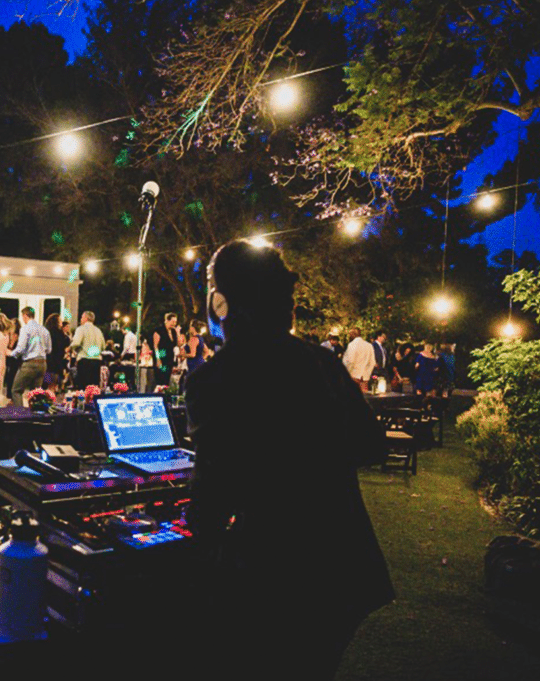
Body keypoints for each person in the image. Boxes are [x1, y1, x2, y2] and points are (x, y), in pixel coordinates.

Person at [185, 240, 393, 679]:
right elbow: (373, 445)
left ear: (220, 304)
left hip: (274, 570)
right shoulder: (321, 362)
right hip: (345, 563)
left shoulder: (216, 379)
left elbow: (210, 503)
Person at [9, 306, 51, 407]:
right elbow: (49, 350)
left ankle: (20, 415)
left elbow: (21, 348)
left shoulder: (25, 329)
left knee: (16, 390)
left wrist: (11, 353)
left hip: (30, 363)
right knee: (36, 392)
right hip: (42, 363)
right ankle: (36, 414)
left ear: (25, 316)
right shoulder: (44, 330)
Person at [69, 311, 105, 390]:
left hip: (84, 360)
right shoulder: (98, 331)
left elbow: (76, 343)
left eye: (82, 317)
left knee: (84, 387)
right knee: (94, 388)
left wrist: (70, 348)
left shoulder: (81, 329)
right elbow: (103, 347)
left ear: (86, 318)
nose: (81, 319)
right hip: (96, 361)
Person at [342, 327, 377, 391]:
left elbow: (350, 361)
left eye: (350, 334)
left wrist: (346, 373)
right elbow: (373, 362)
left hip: (353, 376)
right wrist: (367, 373)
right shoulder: (369, 345)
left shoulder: (352, 345)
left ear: (353, 334)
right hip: (365, 378)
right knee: (364, 398)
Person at [44, 312, 69, 394]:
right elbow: (64, 345)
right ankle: (52, 400)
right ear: (56, 322)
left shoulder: (46, 333)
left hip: (47, 362)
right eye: (60, 321)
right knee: (54, 385)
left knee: (47, 384)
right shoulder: (60, 334)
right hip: (57, 363)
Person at [152, 313, 178, 388]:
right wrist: (158, 359)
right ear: (167, 320)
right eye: (172, 322)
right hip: (161, 356)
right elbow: (155, 346)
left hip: (169, 358)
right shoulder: (159, 331)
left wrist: (178, 332)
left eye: (175, 322)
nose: (174, 324)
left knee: (167, 380)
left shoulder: (173, 332)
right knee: (161, 379)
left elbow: (177, 344)